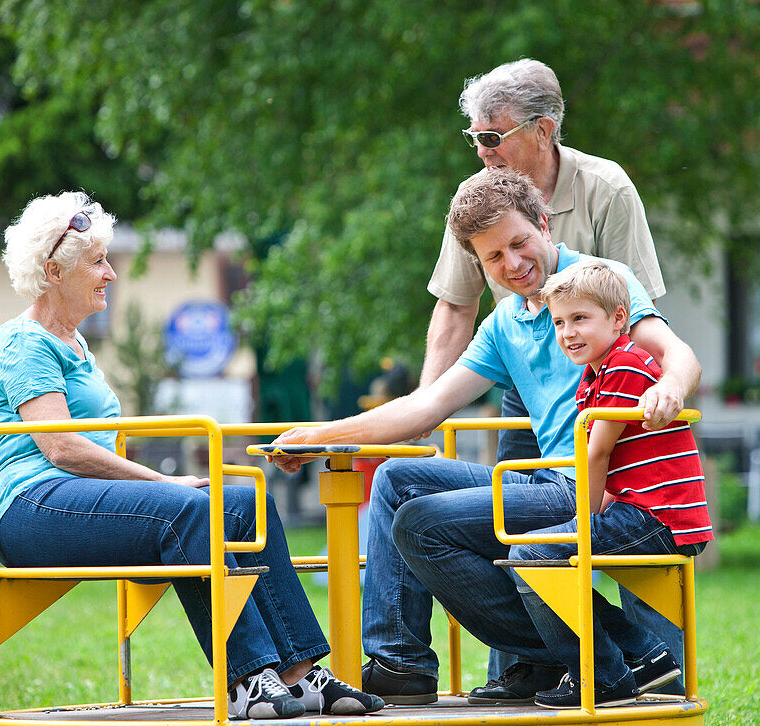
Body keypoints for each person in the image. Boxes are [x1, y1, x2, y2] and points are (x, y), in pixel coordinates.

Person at [267, 170, 701, 706]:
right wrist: (319, 435)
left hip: (594, 484)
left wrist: (672, 389)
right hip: (549, 480)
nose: (513, 265)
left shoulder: (596, 282)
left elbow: (675, 352)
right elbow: (425, 409)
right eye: (494, 257)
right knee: (398, 479)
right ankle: (400, 660)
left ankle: (618, 650)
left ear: (544, 223)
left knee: (422, 526)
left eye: (519, 244)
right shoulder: (504, 323)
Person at [0, 191, 384, 720]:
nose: (111, 274)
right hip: (31, 509)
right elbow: (61, 446)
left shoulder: (75, 344)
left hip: (77, 499)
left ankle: (298, 673)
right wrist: (160, 483)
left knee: (244, 505)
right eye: (98, 262)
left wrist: (159, 486)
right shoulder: (23, 343)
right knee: (188, 509)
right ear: (55, 270)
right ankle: (246, 680)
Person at [422, 59, 675, 684]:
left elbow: (636, 308)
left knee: (612, 523)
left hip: (606, 392)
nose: (481, 152)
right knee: (506, 526)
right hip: (530, 394)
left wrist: (635, 404)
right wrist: (425, 409)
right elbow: (455, 309)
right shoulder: (484, 204)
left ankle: (658, 666)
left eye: (492, 136)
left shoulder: (605, 188)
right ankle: (532, 666)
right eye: (474, 138)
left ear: (544, 129)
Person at [502, 260, 713, 709]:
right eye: (559, 322)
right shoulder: (593, 375)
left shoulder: (625, 365)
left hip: (661, 519)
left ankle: (604, 675)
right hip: (639, 511)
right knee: (535, 554)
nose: (568, 333)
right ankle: (642, 655)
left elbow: (596, 453)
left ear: (619, 318)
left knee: (534, 555)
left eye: (580, 318)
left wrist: (582, 521)